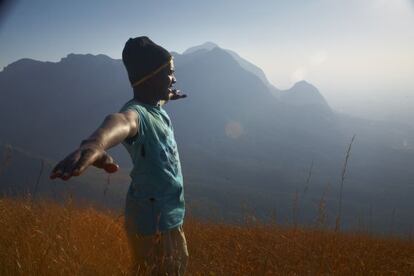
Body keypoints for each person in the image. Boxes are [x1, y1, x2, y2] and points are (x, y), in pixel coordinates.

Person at [50, 36, 189, 275]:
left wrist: (167, 95)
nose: (174, 78)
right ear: (151, 77)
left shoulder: (154, 105)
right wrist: (95, 143)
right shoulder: (136, 114)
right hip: (153, 222)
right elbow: (121, 121)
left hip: (165, 217)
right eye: (169, 73)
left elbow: (153, 101)